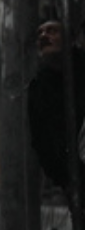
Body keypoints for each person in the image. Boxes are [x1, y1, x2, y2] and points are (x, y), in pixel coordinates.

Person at [27, 19, 85, 192]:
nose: (44, 36)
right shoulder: (39, 86)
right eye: (40, 33)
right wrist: (61, 177)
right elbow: (40, 139)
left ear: (70, 39)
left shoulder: (81, 69)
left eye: (52, 31)